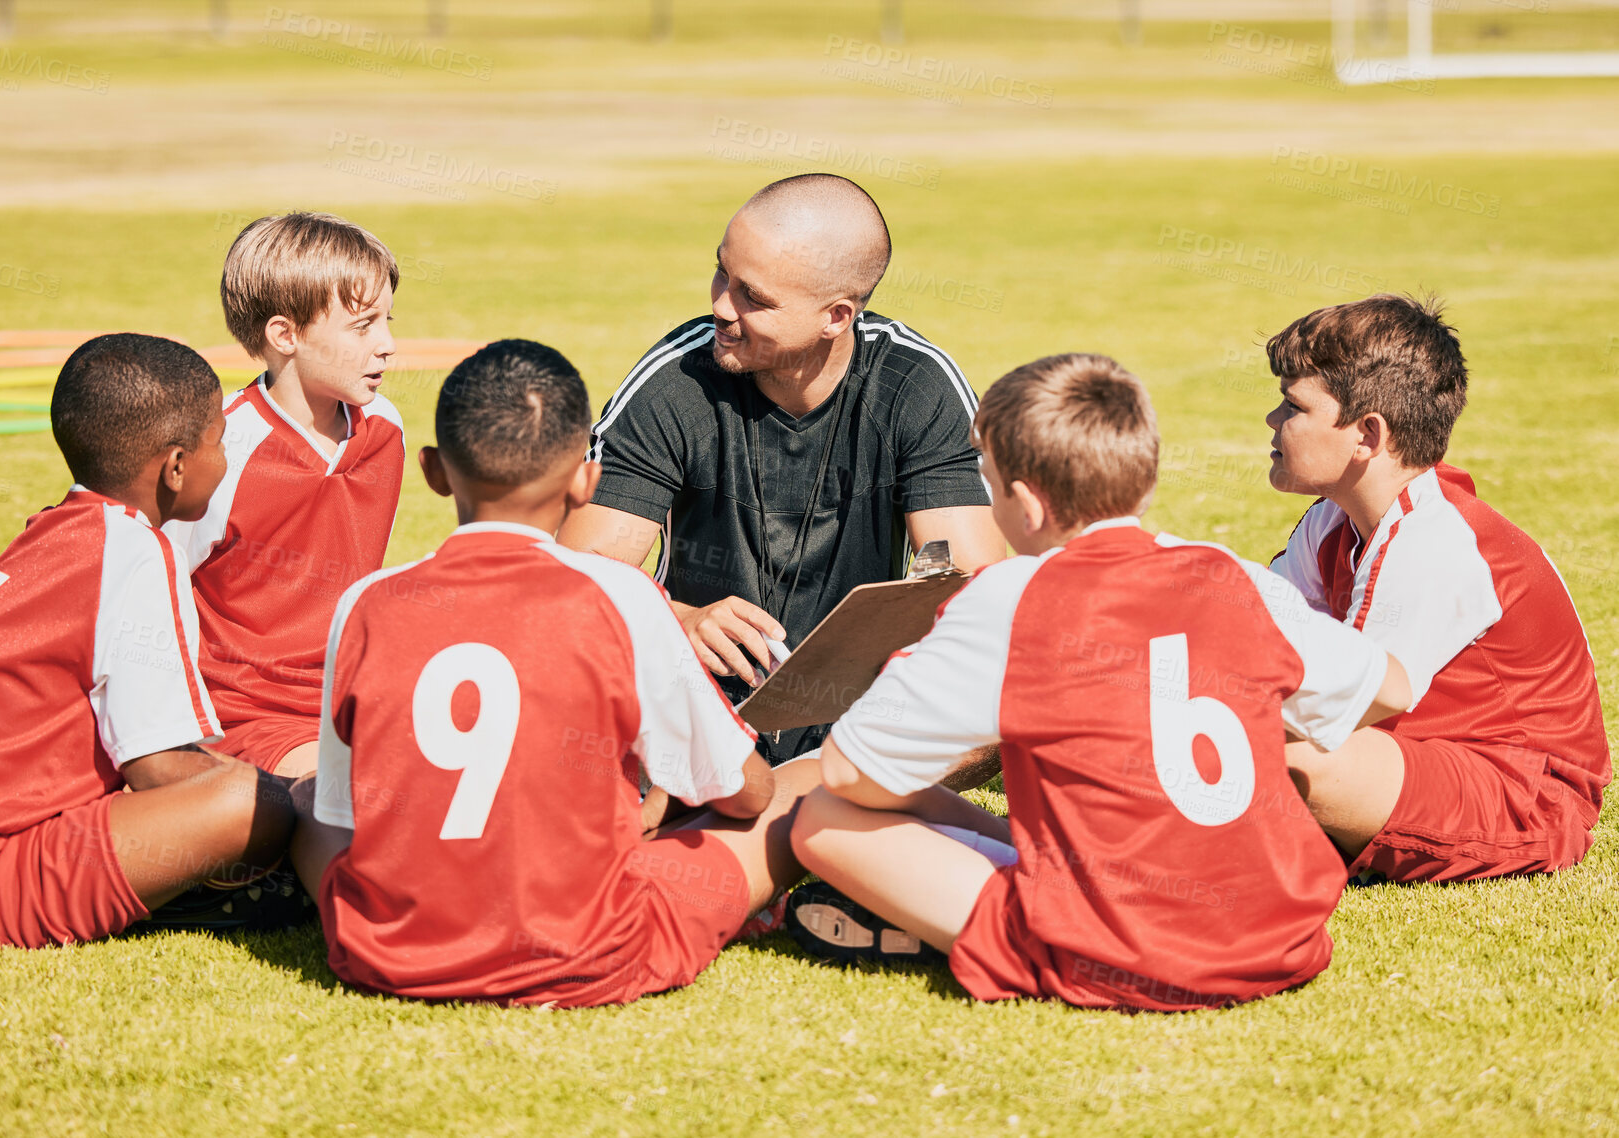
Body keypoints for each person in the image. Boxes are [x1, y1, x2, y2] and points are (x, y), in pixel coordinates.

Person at [787, 353, 1413, 1010]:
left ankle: (969, 934)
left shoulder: (1012, 596)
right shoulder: (1228, 575)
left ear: (1025, 503)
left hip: (1124, 953)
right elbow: (1390, 689)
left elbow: (851, 772)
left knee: (822, 816)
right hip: (1281, 936)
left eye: (990, 486)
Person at [290, 339, 820, 1007]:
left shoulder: (365, 602)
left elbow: (346, 813)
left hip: (389, 956)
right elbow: (745, 794)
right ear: (584, 480)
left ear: (432, 471)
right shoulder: (617, 593)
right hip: (588, 956)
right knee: (812, 780)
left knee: (309, 803)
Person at [0, 334, 296, 948]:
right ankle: (186, 894)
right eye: (218, 443)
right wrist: (285, 798)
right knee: (259, 805)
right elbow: (158, 769)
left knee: (248, 788)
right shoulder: (138, 551)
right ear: (176, 466)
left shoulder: (60, 528)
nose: (224, 460)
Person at [559, 173, 1004, 768]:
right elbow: (574, 582)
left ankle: (797, 802)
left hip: (866, 710)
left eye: (754, 297)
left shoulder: (913, 384)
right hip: (696, 706)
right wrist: (680, 618)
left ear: (836, 316)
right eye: (722, 272)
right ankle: (802, 809)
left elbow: (975, 589)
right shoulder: (676, 381)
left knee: (1002, 700)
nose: (720, 305)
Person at [1263, 294, 1609, 881]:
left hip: (1525, 793)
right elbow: (1261, 633)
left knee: (1290, 757)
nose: (1272, 422)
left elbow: (1351, 705)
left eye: (1292, 406)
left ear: (1366, 435)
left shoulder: (1435, 538)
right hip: (1424, 756)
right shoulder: (1332, 519)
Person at [163, 211, 405, 778]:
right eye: (363, 325)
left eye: (389, 321)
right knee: (352, 800)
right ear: (285, 335)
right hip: (248, 716)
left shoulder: (384, 428)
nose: (388, 345)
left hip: (350, 699)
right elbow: (152, 590)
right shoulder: (220, 451)